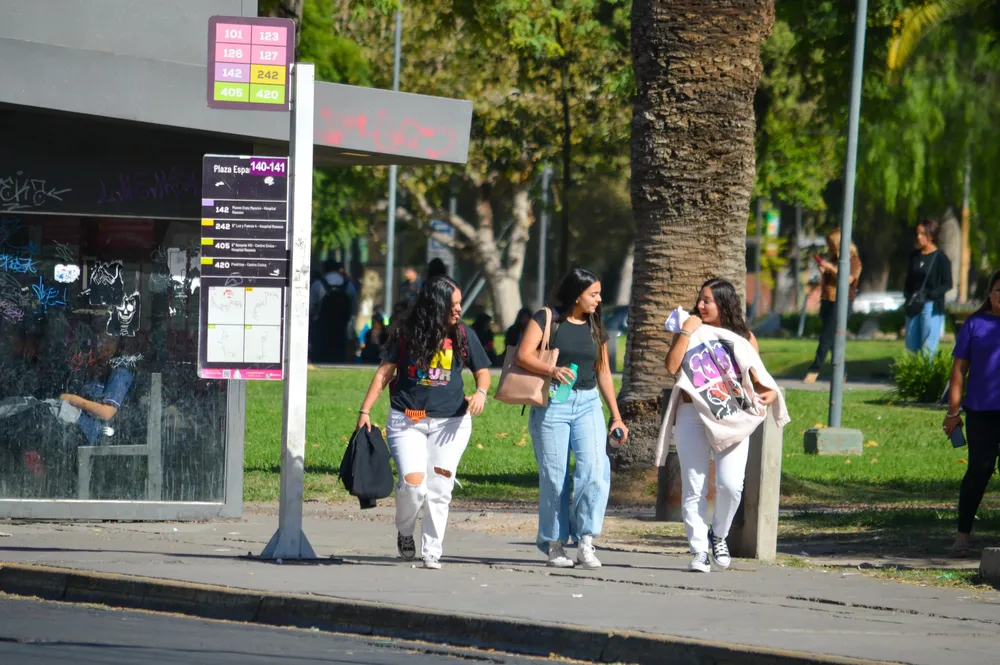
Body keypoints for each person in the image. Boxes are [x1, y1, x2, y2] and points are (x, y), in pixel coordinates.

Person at [356, 276, 492, 570]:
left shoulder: (463, 335)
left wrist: (480, 392)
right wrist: (365, 411)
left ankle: (432, 550)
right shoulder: (406, 332)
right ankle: (405, 531)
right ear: (436, 305)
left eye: (459, 304)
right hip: (408, 421)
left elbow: (483, 371)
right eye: (453, 305)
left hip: (451, 424)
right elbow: (384, 374)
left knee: (440, 487)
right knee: (413, 485)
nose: (459, 310)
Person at [516, 268, 629, 569]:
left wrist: (616, 417)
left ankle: (586, 541)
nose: (599, 299)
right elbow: (523, 355)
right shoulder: (547, 318)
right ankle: (554, 544)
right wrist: (551, 370)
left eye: (599, 293)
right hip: (552, 402)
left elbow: (603, 371)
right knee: (555, 478)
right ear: (577, 294)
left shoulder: (596, 325)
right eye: (593, 294)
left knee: (594, 470)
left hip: (588, 402)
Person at [664, 278, 778, 573]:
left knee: (730, 486)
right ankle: (699, 550)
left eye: (707, 301)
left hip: (731, 416)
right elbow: (671, 366)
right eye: (699, 299)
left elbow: (758, 378)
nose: (700, 305)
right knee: (694, 487)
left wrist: (770, 392)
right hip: (692, 414)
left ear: (723, 304)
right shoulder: (690, 330)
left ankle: (719, 535)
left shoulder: (744, 337)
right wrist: (686, 332)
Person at [943, 270, 1000, 557]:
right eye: (999, 289)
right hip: (981, 411)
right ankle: (962, 535)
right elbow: (958, 371)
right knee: (979, 469)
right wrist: (953, 412)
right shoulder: (975, 324)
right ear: (990, 293)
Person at [804, 230, 863, 384]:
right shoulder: (834, 260)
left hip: (841, 302)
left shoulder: (854, 260)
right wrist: (824, 271)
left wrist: (830, 268)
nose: (830, 248)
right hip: (827, 301)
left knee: (826, 338)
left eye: (832, 244)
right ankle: (841, 372)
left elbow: (848, 279)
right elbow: (828, 281)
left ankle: (814, 370)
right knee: (832, 340)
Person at [903, 220, 952, 357]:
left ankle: (926, 376)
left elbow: (947, 283)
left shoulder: (940, 258)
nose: (919, 237)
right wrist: (907, 296)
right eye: (918, 233)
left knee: (927, 349)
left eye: (923, 234)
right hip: (914, 304)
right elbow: (908, 280)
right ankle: (912, 376)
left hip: (931, 305)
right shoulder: (914, 256)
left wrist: (931, 295)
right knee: (911, 347)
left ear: (932, 235)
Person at [309, 259, 358, 363]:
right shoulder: (348, 285)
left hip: (321, 330)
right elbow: (354, 311)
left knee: (321, 359)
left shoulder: (318, 285)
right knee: (338, 358)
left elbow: (311, 309)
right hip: (341, 330)